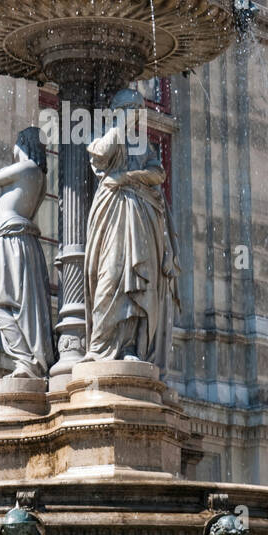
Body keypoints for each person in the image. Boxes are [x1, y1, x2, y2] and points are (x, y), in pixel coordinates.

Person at [82, 90, 179, 372]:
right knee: (109, 273)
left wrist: (128, 177)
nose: (136, 116)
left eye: (138, 111)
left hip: (141, 215)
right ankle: (99, 345)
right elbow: (100, 154)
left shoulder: (140, 144)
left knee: (139, 278)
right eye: (131, 109)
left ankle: (128, 347)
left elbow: (157, 173)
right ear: (118, 110)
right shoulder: (106, 133)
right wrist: (118, 125)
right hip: (112, 211)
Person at [0, 128, 55, 378]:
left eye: (16, 142)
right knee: (19, 304)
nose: (13, 148)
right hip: (20, 240)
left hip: (10, 239)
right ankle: (28, 359)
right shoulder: (41, 177)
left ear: (24, 144)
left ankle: (25, 360)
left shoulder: (27, 168)